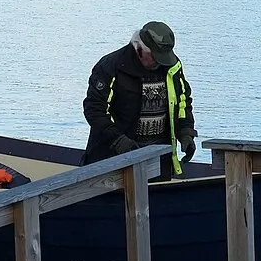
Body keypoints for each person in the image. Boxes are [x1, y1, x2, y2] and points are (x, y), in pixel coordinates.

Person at [83, 21, 196, 176]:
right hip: (113, 160)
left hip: (159, 159)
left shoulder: (172, 66)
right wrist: (118, 140)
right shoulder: (110, 66)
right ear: (139, 49)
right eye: (155, 57)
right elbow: (94, 109)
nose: (160, 62)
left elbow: (183, 100)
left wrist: (185, 132)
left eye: (163, 57)